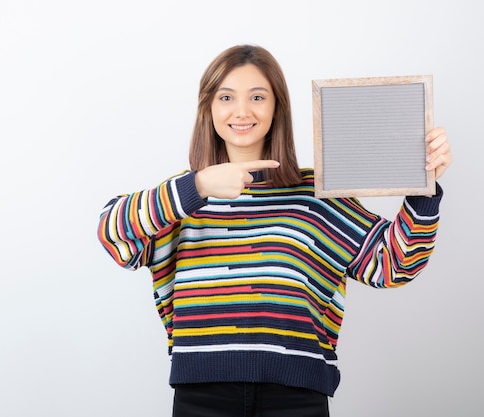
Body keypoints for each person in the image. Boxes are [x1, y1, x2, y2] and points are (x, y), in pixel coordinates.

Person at [96, 44, 452, 417]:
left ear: (277, 107)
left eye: (257, 96)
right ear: (209, 108)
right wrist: (197, 186)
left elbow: (394, 265)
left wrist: (422, 184)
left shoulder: (317, 194)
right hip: (200, 397)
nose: (242, 110)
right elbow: (112, 233)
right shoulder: (181, 198)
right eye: (226, 97)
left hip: (296, 397)